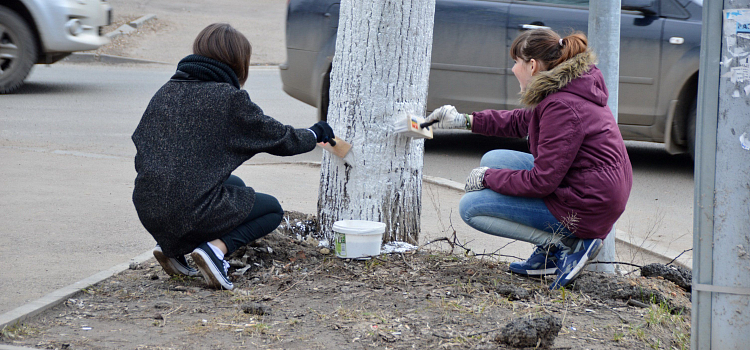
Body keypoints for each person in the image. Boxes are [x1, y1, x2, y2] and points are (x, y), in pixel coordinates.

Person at [131, 23, 335, 290]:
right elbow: (278, 138)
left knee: (234, 186)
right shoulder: (228, 99)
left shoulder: (166, 91)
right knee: (271, 209)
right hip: (186, 210)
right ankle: (214, 252)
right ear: (239, 62)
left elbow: (142, 144)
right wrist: (313, 132)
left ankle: (171, 249)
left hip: (149, 207)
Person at [425, 29, 632, 289]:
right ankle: (548, 256)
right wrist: (465, 120)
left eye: (516, 62)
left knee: (471, 207)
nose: (513, 70)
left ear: (532, 66)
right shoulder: (565, 89)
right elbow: (520, 121)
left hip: (585, 208)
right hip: (589, 190)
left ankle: (570, 243)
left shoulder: (562, 107)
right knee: (494, 157)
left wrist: (488, 178)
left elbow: (541, 182)